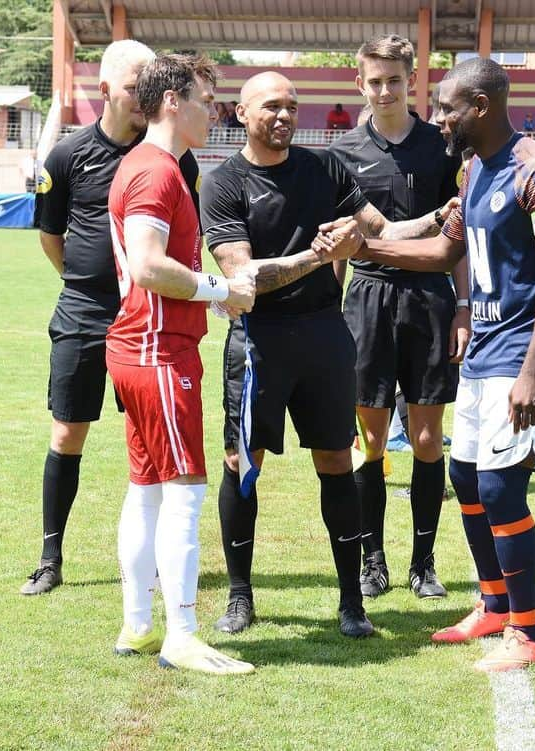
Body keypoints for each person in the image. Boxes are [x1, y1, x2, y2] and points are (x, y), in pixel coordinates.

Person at [334, 57, 535, 671]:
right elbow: (447, 249)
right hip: (484, 353)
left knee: (500, 487)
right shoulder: (473, 172)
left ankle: (530, 633)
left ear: (481, 107)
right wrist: (362, 246)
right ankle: (495, 605)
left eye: (448, 106)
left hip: (525, 358)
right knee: (467, 481)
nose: (439, 117)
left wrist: (531, 370)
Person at [200, 71, 451, 638]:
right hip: (258, 342)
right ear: (242, 114)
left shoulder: (328, 168)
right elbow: (242, 278)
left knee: (338, 461)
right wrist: (320, 257)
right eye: (271, 107)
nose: (284, 116)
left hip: (325, 337)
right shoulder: (223, 183)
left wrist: (442, 216)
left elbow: (382, 230)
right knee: (243, 465)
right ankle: (240, 597)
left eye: (291, 106)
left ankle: (350, 603)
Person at [21, 40, 202, 595]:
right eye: (131, 87)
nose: (142, 97)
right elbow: (52, 238)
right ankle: (51, 556)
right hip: (82, 311)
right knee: (67, 431)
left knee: (147, 439)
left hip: (144, 318)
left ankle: (146, 558)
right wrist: (85, 283)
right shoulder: (67, 156)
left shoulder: (174, 157)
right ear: (104, 91)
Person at [106, 52, 256, 675]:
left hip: (141, 347)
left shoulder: (152, 166)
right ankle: (182, 634)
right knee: (185, 493)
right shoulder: (156, 172)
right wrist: (221, 292)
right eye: (203, 97)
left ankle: (140, 626)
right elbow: (146, 265)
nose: (212, 109)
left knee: (146, 492)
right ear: (173, 101)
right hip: (158, 351)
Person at [328, 33, 467, 600]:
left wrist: (462, 307)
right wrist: (328, 318)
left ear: (413, 80)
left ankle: (424, 562)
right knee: (371, 439)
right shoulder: (342, 156)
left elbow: (460, 235)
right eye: (374, 80)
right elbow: (337, 247)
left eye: (394, 80)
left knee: (429, 438)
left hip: (431, 300)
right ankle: (373, 559)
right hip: (367, 301)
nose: (384, 90)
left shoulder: (442, 147)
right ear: (359, 83)